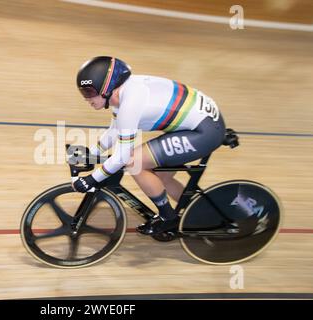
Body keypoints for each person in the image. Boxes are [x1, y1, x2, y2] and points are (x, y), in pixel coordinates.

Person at [72, 56, 226, 235]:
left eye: (89, 92)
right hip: (205, 122)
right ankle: (200, 213)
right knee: (160, 176)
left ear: (106, 89)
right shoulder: (121, 93)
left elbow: (122, 156)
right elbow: (115, 130)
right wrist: (91, 154)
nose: (86, 99)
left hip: (205, 132)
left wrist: (92, 179)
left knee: (134, 162)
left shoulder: (130, 105)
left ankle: (168, 218)